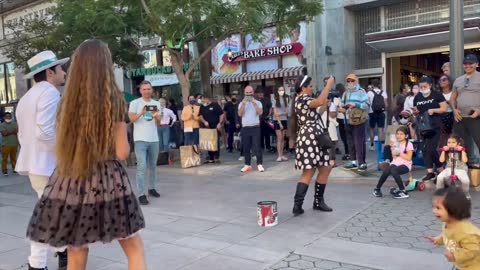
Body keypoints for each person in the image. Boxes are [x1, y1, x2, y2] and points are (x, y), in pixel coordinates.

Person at [26, 39, 146, 270]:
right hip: (108, 181)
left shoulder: (66, 103)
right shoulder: (114, 101)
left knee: (76, 249)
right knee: (134, 247)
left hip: (71, 178)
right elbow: (121, 152)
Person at [15, 50, 69, 270]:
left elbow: (23, 134)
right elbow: (44, 132)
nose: (63, 72)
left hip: (36, 165)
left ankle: (62, 252)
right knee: (48, 216)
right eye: (60, 68)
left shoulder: (27, 97)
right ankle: (37, 264)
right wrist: (65, 150)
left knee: (54, 212)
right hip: (48, 165)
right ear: (49, 73)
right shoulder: (49, 93)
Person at [292, 75, 335, 216]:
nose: (312, 89)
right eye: (310, 86)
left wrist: (324, 105)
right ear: (303, 88)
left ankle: (318, 202)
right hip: (309, 137)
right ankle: (297, 205)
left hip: (316, 136)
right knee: (309, 171)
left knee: (326, 167)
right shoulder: (301, 99)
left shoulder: (306, 100)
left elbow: (317, 112)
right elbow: (319, 100)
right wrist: (328, 85)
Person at [427, 188, 480, 270]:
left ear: (453, 210)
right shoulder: (448, 223)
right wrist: (438, 239)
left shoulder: (466, 232)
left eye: (438, 208)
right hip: (462, 264)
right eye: (433, 207)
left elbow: (473, 250)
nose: (433, 211)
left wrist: (455, 256)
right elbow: (447, 234)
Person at [128, 81, 161, 205]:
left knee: (153, 165)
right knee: (141, 166)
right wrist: (141, 112)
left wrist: (156, 116)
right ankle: (141, 194)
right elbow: (131, 119)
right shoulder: (134, 103)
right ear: (140, 90)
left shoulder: (156, 103)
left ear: (152, 90)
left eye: (149, 89)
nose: (147, 91)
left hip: (154, 139)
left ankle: (152, 188)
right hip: (140, 139)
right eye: (144, 89)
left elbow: (159, 122)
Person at [413, 75, 448, 181]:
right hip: (422, 126)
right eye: (421, 87)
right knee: (424, 149)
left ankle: (441, 170)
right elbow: (416, 110)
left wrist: (433, 110)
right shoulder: (418, 97)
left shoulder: (437, 95)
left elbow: (444, 108)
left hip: (435, 125)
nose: (423, 88)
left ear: (430, 85)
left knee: (432, 149)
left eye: (425, 86)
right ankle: (430, 172)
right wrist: (415, 112)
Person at [451, 54, 480, 168]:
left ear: (477, 64)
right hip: (460, 117)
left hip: (476, 116)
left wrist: (479, 111)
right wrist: (454, 110)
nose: (467, 66)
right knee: (460, 144)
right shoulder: (458, 80)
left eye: (470, 63)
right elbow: (452, 99)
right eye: (465, 64)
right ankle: (464, 169)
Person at [339, 74, 369, 171]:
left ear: (356, 81)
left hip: (358, 120)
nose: (350, 83)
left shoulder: (361, 91)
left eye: (352, 81)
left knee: (359, 142)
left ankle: (362, 162)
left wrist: (355, 104)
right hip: (347, 120)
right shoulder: (345, 93)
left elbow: (367, 105)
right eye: (348, 81)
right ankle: (353, 161)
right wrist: (342, 108)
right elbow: (341, 105)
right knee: (350, 142)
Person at [373, 126, 413, 199]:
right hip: (395, 163)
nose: (399, 136)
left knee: (394, 170)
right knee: (387, 171)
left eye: (401, 134)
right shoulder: (396, 143)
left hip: (405, 164)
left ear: (406, 136)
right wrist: (393, 149)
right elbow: (394, 158)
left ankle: (403, 191)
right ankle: (377, 189)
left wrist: (399, 153)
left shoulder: (409, 144)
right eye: (397, 134)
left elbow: (409, 158)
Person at [238, 86, 264, 172]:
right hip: (245, 128)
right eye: (247, 93)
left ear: (253, 93)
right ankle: (247, 164)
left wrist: (254, 103)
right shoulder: (241, 103)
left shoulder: (258, 102)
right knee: (246, 147)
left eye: (250, 92)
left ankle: (259, 164)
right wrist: (244, 104)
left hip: (255, 127)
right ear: (244, 93)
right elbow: (240, 114)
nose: (248, 94)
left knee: (257, 147)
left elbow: (260, 112)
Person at [436, 135, 471, 199]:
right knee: (439, 177)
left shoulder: (461, 151)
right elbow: (441, 160)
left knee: (466, 181)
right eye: (448, 142)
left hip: (461, 169)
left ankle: (466, 193)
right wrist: (443, 150)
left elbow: (465, 160)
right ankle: (440, 193)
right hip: (449, 168)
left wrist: (462, 150)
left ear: (458, 143)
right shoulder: (446, 151)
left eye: (453, 142)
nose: (450, 144)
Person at [199, 95, 224, 163]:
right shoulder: (202, 106)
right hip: (207, 127)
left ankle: (216, 157)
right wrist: (204, 121)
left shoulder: (215, 105)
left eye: (203, 99)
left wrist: (220, 123)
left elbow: (221, 114)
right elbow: (200, 116)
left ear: (207, 99)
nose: (202, 101)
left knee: (216, 142)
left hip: (215, 127)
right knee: (208, 142)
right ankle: (211, 158)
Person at [367, 79, 388, 151]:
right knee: (380, 129)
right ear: (379, 85)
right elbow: (386, 104)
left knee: (371, 128)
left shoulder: (369, 93)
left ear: (372, 85)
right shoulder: (383, 92)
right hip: (381, 113)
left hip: (372, 112)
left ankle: (372, 145)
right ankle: (380, 146)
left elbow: (368, 104)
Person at [273, 86, 290, 162]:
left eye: (282, 90)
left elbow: (287, 112)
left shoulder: (286, 99)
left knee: (283, 139)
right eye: (280, 90)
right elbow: (275, 113)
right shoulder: (275, 99)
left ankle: (282, 154)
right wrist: (279, 123)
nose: (281, 91)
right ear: (277, 91)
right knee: (279, 138)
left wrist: (281, 113)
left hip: (284, 120)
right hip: (277, 121)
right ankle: (279, 155)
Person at [439, 75, 454, 147]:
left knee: (452, 137)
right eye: (440, 80)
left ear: (449, 81)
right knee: (442, 138)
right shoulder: (437, 94)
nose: (441, 81)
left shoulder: (454, 93)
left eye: (444, 79)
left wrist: (449, 102)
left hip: (452, 116)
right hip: (440, 116)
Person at [335, 83, 349, 160]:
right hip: (347, 118)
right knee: (348, 136)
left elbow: (336, 108)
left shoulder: (337, 98)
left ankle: (347, 152)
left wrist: (339, 109)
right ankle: (349, 152)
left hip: (341, 118)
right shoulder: (347, 95)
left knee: (344, 137)